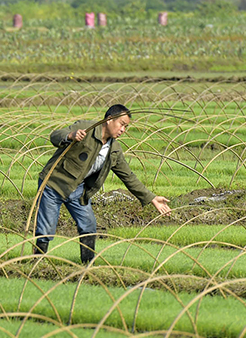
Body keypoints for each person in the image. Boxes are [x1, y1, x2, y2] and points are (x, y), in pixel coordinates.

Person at [34, 104, 172, 264]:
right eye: (122, 124)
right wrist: (71, 135)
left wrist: (152, 198)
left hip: (78, 190)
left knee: (88, 226)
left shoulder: (114, 149)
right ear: (109, 120)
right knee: (46, 227)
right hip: (54, 184)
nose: (123, 130)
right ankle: (37, 262)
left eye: (126, 127)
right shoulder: (85, 128)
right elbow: (55, 136)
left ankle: (87, 264)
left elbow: (128, 176)